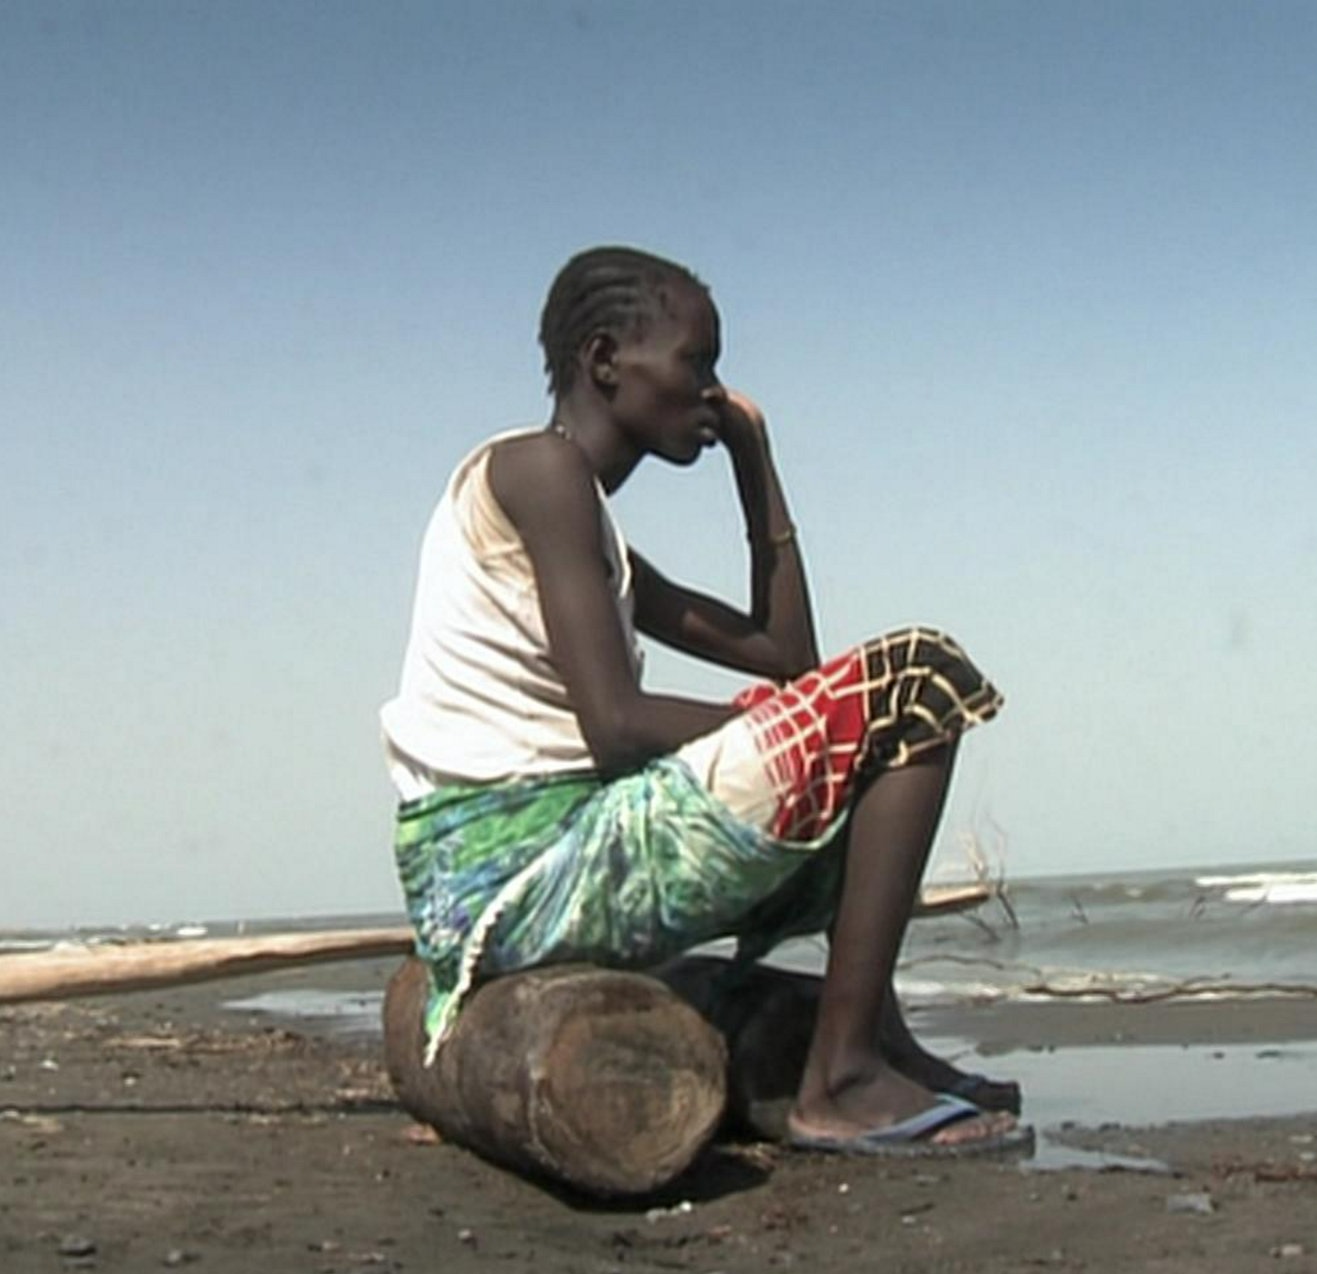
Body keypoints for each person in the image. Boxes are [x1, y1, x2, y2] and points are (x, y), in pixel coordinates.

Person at [381, 245, 1023, 1155]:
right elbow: (616, 726)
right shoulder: (538, 473)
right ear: (606, 360)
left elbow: (787, 656)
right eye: (697, 363)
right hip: (515, 871)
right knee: (919, 680)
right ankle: (839, 1081)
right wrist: (796, 731)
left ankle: (880, 1047)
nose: (714, 392)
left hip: (546, 855)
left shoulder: (587, 524)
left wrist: (756, 465)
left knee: (856, 747)